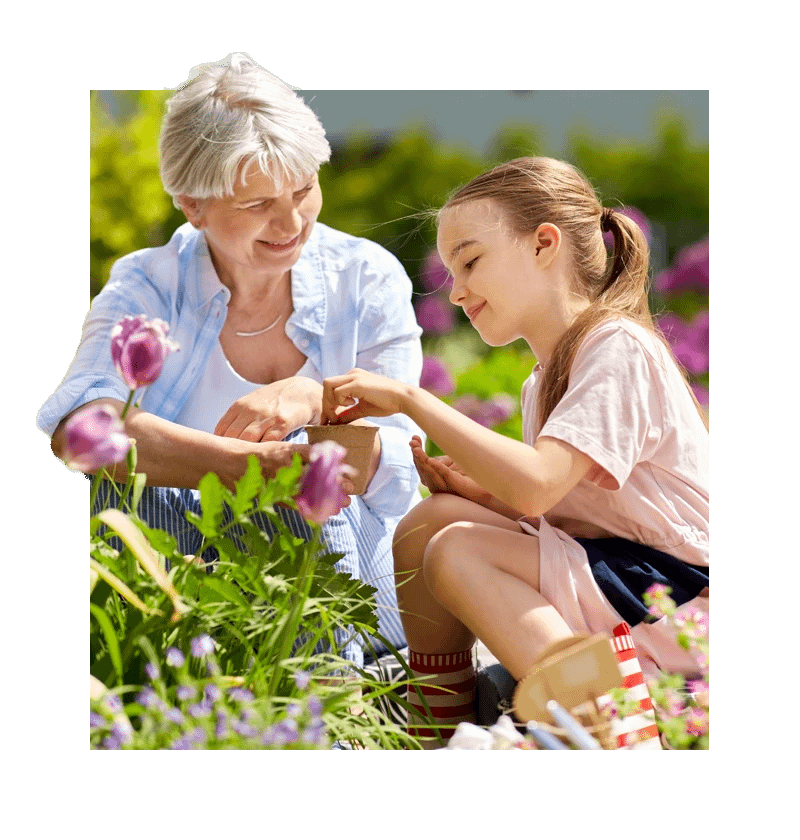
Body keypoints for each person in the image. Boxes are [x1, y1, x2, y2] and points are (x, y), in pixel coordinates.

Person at [42, 56, 425, 669]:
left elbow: (397, 459)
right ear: (193, 204)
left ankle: (326, 703)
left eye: (304, 190)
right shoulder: (147, 284)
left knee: (299, 508)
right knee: (134, 501)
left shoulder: (366, 278)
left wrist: (314, 398)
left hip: (347, 570)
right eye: (258, 204)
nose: (292, 221)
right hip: (185, 573)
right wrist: (256, 468)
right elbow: (81, 432)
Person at [321, 156, 709, 746]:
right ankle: (438, 723)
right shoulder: (543, 378)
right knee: (430, 523)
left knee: (458, 550)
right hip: (625, 578)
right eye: (452, 273)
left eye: (471, 262)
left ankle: (614, 723)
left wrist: (411, 400)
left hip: (679, 601)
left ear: (543, 244)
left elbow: (538, 485)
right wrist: (476, 491)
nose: (456, 293)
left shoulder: (618, 347)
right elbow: (566, 510)